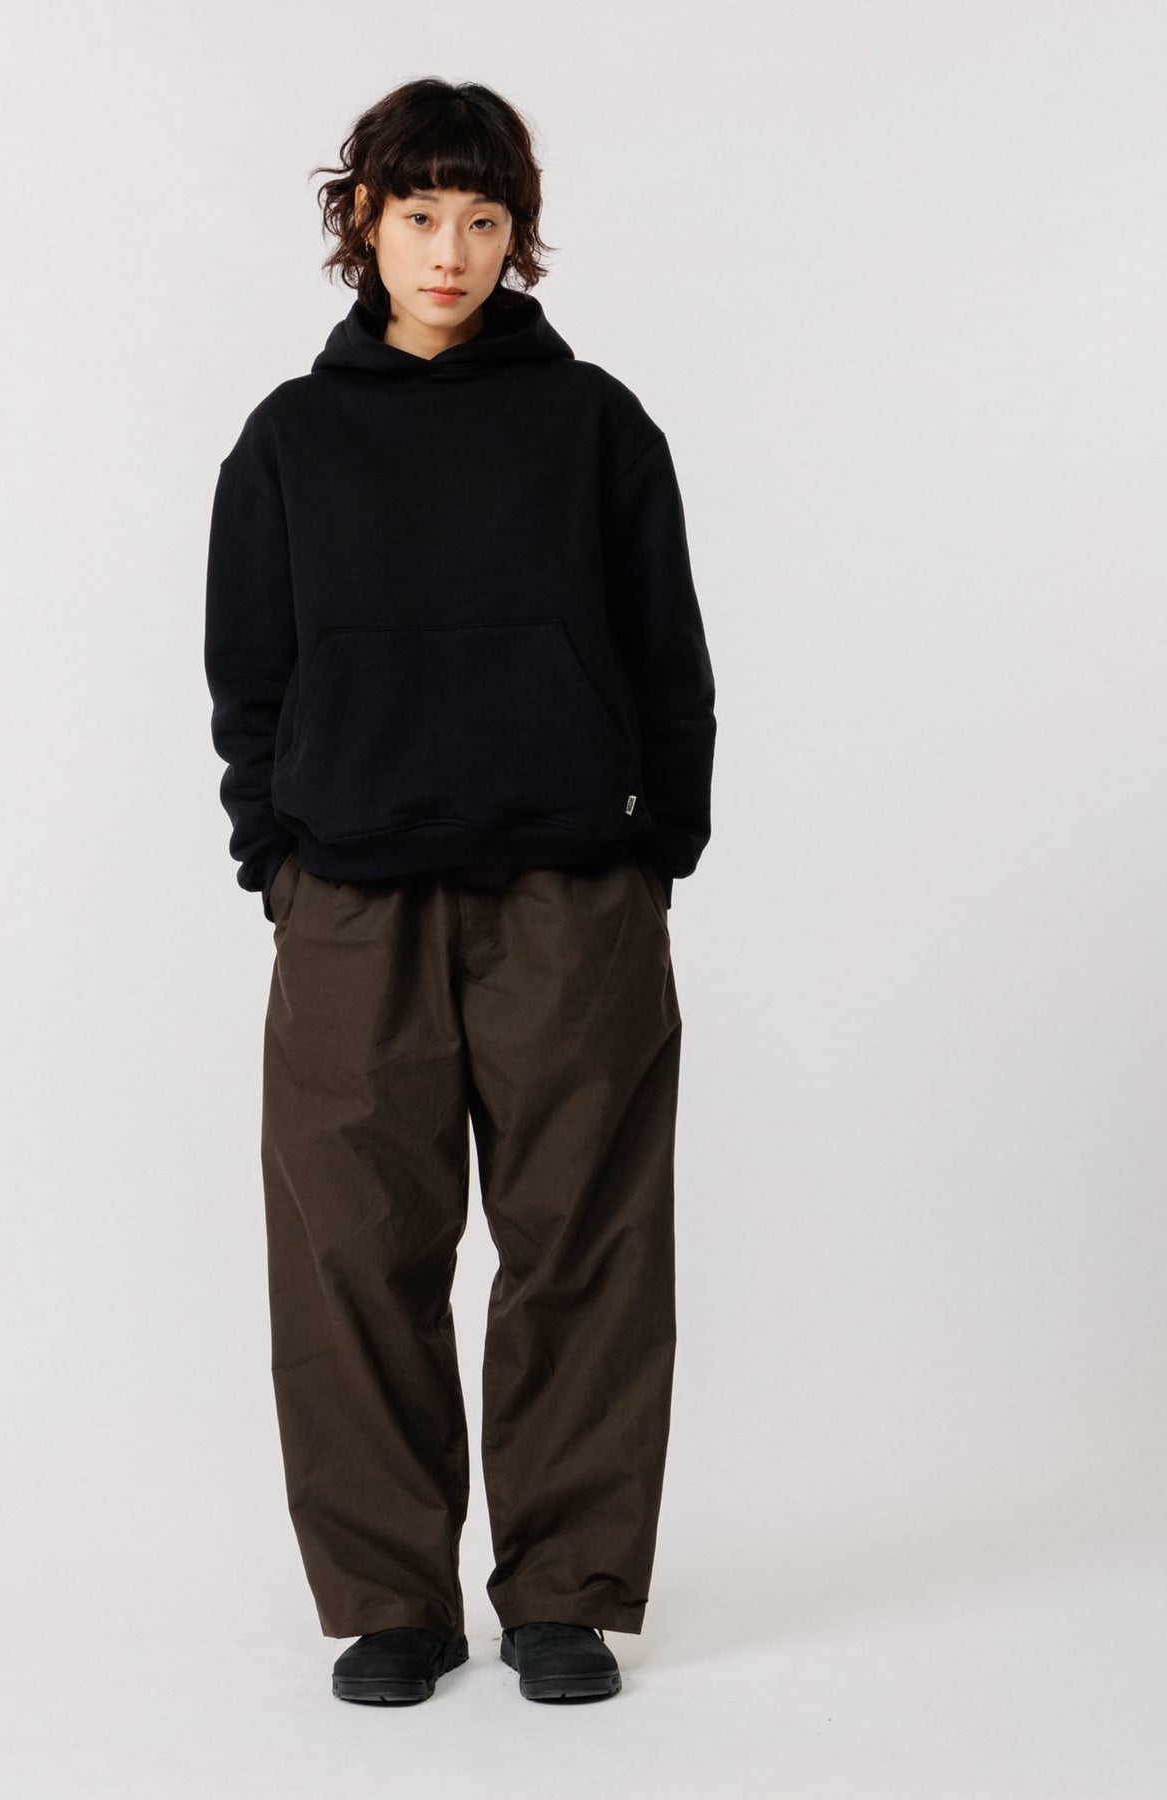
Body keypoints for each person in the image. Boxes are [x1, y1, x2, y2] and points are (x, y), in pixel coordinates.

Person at [204, 77, 716, 1706]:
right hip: (354, 898)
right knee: (354, 1255)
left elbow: (668, 659)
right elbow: (249, 679)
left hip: (570, 889)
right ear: (363, 222)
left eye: (483, 219)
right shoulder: (290, 440)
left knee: (585, 1244)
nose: (451, 250)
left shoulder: (596, 427)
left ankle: (565, 1592)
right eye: (420, 214)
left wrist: (656, 848)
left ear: (518, 235)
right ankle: (390, 1603)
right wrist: (276, 855)